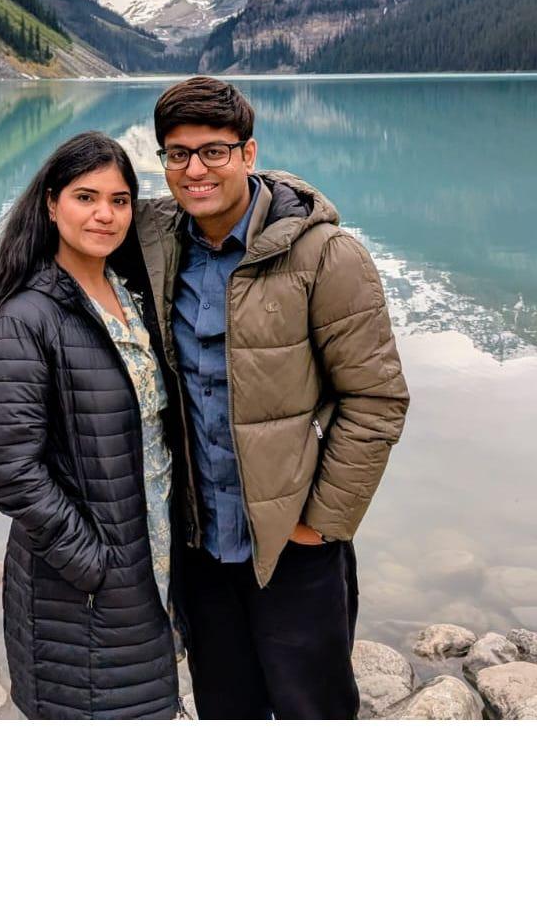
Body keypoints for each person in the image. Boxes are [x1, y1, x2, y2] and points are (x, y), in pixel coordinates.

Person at [136, 76, 410, 719]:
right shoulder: (154, 241)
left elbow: (376, 399)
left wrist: (319, 526)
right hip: (201, 545)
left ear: (249, 153)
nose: (195, 170)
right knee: (226, 710)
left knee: (315, 712)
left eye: (214, 151)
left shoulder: (327, 256)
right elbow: (74, 222)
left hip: (294, 547)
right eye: (178, 154)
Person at [0, 131, 179, 719]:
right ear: (51, 204)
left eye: (119, 200)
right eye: (86, 197)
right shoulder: (24, 319)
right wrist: (94, 564)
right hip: (81, 591)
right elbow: (9, 471)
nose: (104, 214)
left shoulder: (130, 296)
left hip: (150, 559)